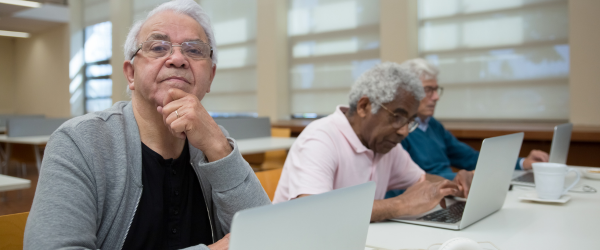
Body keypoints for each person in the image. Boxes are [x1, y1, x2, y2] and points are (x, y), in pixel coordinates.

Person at [24, 1, 270, 249]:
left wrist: (219, 147)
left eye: (194, 50)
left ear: (210, 78)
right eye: (158, 47)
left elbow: (267, 236)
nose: (177, 58)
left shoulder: (213, 142)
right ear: (130, 74)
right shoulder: (79, 144)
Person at [273, 62, 472, 222]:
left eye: (410, 122)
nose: (404, 131)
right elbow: (313, 211)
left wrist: (455, 184)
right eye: (397, 117)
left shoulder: (384, 145)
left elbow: (421, 180)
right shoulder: (320, 138)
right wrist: (400, 204)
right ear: (364, 106)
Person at [385, 58, 549, 199]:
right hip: (433, 196)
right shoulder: (398, 133)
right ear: (408, 93)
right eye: (428, 90)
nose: (436, 97)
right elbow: (409, 182)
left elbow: (471, 158)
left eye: (436, 90)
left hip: (453, 192)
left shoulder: (433, 125)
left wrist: (522, 163)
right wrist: (466, 177)